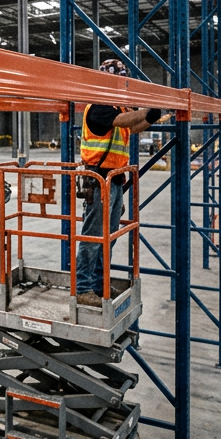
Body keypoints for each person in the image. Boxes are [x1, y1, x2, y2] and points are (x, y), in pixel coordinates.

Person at [75, 58, 161, 306]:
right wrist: (146, 110)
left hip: (114, 180)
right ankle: (83, 288)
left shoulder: (117, 108)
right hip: (98, 179)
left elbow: (131, 128)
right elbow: (124, 122)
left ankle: (100, 284)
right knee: (93, 236)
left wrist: (151, 117)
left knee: (108, 237)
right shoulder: (99, 106)